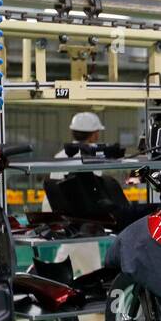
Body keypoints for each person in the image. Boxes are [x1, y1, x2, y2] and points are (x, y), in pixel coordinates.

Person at [45, 110, 107, 277]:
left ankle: (50, 277)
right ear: (93, 134)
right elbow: (94, 192)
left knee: (74, 259)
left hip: (61, 220)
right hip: (81, 221)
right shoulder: (92, 157)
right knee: (91, 270)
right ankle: (49, 277)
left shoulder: (60, 155)